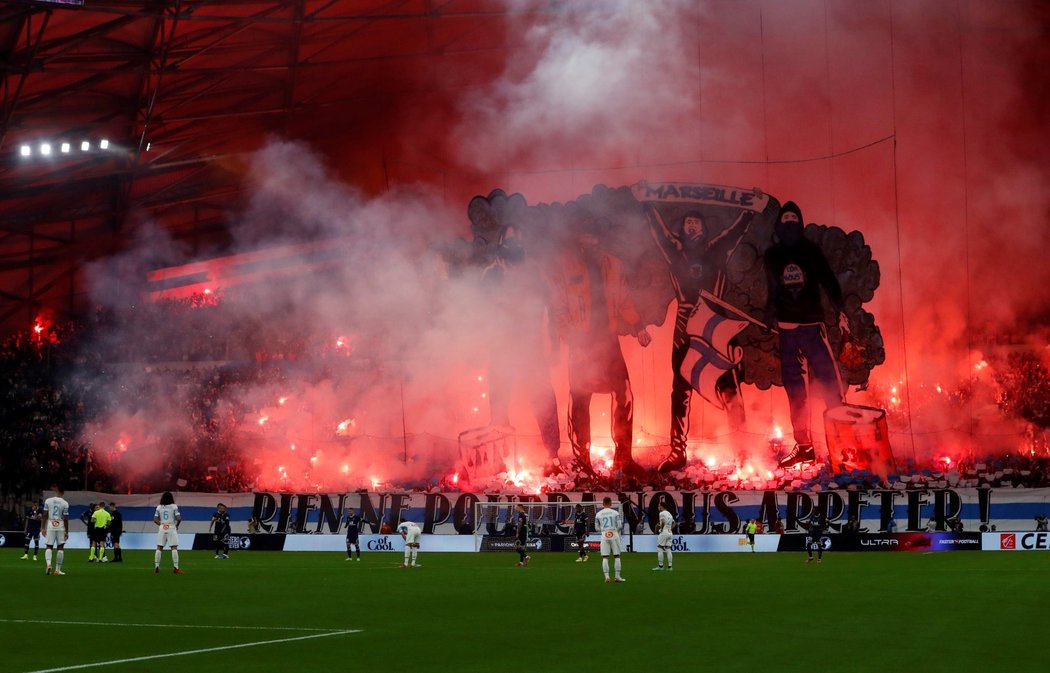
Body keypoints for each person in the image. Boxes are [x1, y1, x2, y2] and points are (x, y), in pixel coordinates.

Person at [645, 204, 757, 472]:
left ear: (704, 227)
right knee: (680, 389)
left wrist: (750, 211)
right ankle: (677, 452)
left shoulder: (715, 250)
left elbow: (734, 233)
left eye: (696, 221)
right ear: (682, 229)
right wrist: (648, 206)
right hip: (685, 324)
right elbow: (659, 234)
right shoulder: (675, 252)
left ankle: (742, 452)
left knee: (730, 387)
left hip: (714, 322)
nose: (692, 226)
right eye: (688, 222)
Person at [549, 217, 652, 481]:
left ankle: (623, 460)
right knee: (580, 398)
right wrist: (570, 338)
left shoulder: (614, 265)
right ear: (578, 239)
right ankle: (582, 461)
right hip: (581, 343)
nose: (590, 241)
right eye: (585, 237)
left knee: (625, 394)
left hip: (608, 341)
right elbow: (559, 307)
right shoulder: (564, 266)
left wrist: (638, 325)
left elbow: (624, 299)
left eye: (594, 237)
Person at [764, 201, 849, 469]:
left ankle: (842, 445)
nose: (790, 222)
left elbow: (828, 279)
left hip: (812, 327)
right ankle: (804, 448)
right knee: (795, 393)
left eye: (794, 218)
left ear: (799, 223)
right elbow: (773, 289)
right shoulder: (773, 255)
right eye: (785, 218)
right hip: (787, 331)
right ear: (780, 224)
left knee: (830, 386)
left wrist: (840, 310)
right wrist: (770, 313)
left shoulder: (811, 251)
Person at [595, 497, 625, 583]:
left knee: (605, 557)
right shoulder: (615, 513)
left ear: (603, 504)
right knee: (617, 556)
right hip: (614, 534)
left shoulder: (598, 514)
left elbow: (596, 528)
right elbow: (619, 526)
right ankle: (617, 577)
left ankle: (607, 577)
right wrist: (614, 530)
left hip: (604, 535)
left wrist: (604, 530)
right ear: (611, 503)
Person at [154, 491, 184, 574]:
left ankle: (156, 566)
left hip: (162, 527)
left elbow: (155, 520)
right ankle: (176, 568)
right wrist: (177, 525)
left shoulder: (159, 507)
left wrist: (161, 525)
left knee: (159, 547)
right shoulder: (174, 506)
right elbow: (179, 518)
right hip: (171, 527)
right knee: (174, 547)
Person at [42, 486, 69, 576]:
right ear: (63, 493)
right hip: (60, 524)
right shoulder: (65, 503)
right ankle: (57, 570)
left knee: (49, 546)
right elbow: (65, 518)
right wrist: (66, 531)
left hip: (50, 524)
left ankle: (49, 564)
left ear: (56, 492)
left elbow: (45, 515)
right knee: (60, 547)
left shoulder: (48, 501)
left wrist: (43, 527)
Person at [653, 501, 676, 570]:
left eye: (658, 506)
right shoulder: (669, 513)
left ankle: (661, 566)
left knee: (659, 548)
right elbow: (674, 523)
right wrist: (670, 528)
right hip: (670, 532)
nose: (658, 507)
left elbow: (662, 522)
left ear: (662, 506)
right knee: (668, 548)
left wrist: (661, 529)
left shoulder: (662, 513)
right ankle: (670, 566)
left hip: (664, 532)